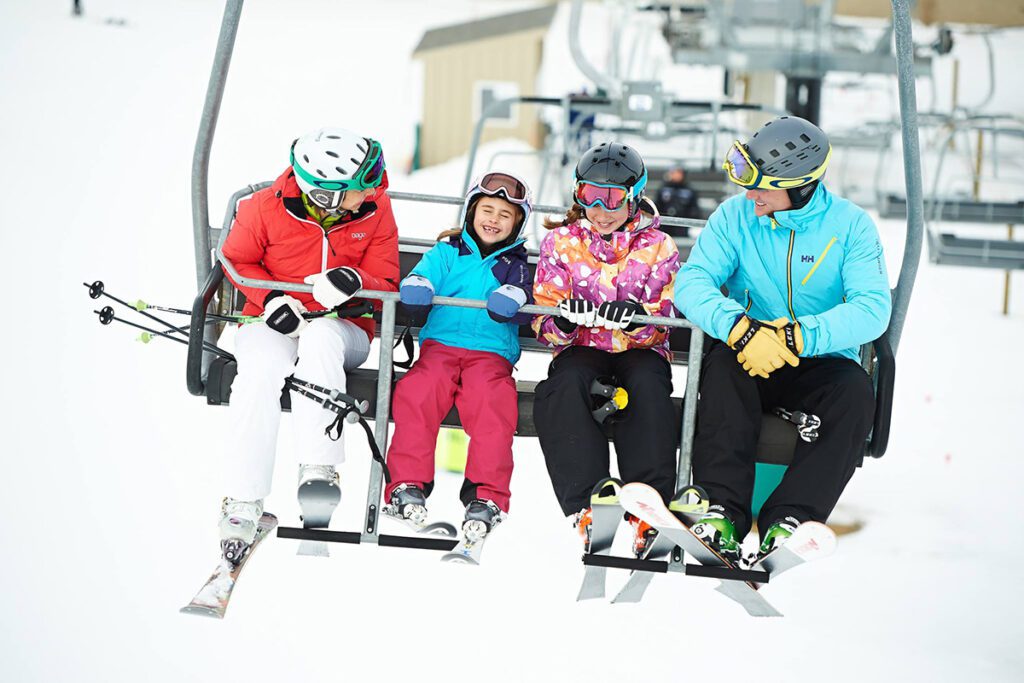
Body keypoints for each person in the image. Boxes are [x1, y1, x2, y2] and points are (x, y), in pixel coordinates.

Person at [675, 115, 891, 565]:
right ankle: (722, 511)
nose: (751, 196)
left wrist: (796, 337)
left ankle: (791, 518)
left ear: (802, 185)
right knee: (723, 371)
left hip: (819, 359)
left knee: (854, 393)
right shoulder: (735, 217)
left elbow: (871, 308)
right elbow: (692, 282)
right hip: (748, 352)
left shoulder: (851, 227)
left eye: (763, 188)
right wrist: (741, 328)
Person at [216, 127, 399, 561]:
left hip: (343, 329)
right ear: (327, 195)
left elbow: (387, 279)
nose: (373, 191)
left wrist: (355, 282)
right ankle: (243, 499)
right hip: (274, 320)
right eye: (362, 186)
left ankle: (318, 469)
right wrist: (271, 299)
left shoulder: (375, 209)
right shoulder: (262, 209)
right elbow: (237, 260)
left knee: (319, 338)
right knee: (259, 369)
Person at [532, 142, 680, 557]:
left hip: (638, 349)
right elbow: (544, 319)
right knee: (562, 387)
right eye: (590, 195)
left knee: (648, 387)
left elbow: (664, 318)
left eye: (613, 197)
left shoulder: (658, 246)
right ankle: (588, 503)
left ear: (635, 197)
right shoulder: (561, 243)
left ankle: (648, 505)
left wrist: (637, 319)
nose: (601, 208)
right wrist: (561, 322)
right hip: (581, 344)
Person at [382, 171, 534, 542]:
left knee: (492, 405)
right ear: (471, 213)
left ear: (516, 224)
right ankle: (407, 484)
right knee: (417, 393)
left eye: (504, 215)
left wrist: (514, 298)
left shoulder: (515, 263)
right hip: (441, 349)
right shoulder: (448, 252)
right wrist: (419, 285)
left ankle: (487, 496)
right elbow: (424, 273)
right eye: (487, 210)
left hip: (490, 355)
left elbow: (527, 293)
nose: (493, 220)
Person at [655, 167, 701, 237]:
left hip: (682, 226)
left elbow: (694, 209)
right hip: (665, 225)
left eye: (678, 173)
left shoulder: (689, 191)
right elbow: (657, 206)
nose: (675, 175)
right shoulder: (663, 189)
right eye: (673, 173)